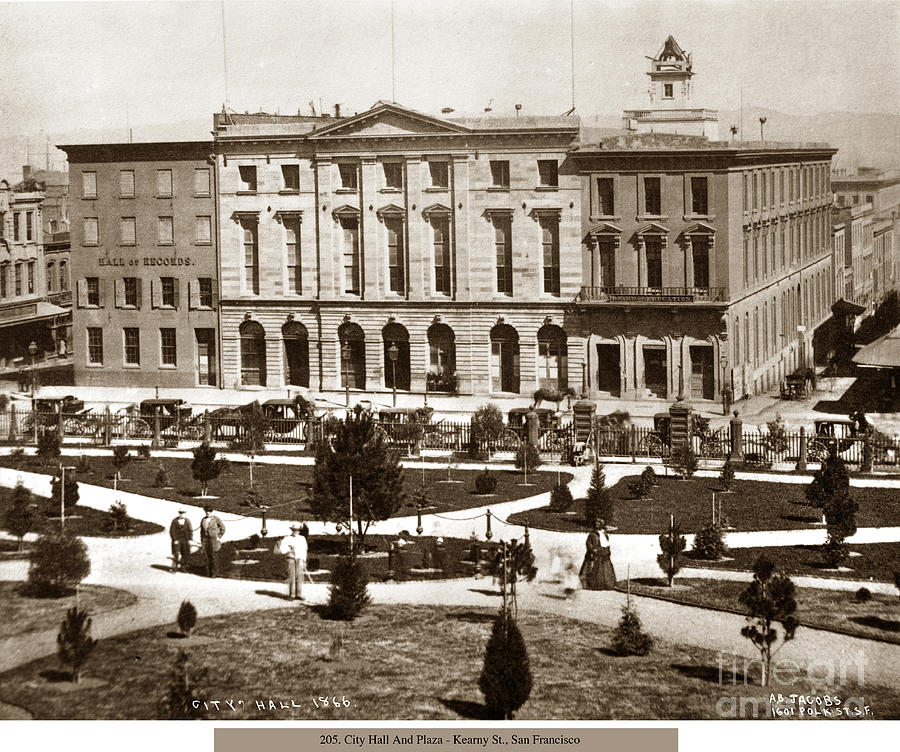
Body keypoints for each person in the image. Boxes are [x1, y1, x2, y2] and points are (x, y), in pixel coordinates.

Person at [579, 519, 616, 590]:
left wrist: (608, 551)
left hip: (603, 554)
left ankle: (605, 584)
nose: (597, 525)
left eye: (599, 523)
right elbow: (588, 543)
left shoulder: (605, 534)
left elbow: (607, 544)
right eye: (596, 523)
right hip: (594, 554)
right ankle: (591, 584)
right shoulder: (592, 534)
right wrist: (592, 550)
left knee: (605, 570)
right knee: (592, 569)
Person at [278, 523, 308, 600]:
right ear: (292, 530)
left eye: (297, 530)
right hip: (291, 559)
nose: (296, 532)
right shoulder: (287, 538)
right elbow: (282, 550)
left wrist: (304, 561)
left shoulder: (302, 539)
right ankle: (292, 595)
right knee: (292, 576)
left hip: (299, 559)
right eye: (294, 530)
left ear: (299, 531)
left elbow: (304, 550)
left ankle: (299, 594)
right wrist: (289, 549)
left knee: (300, 576)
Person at [199, 504, 225, 578]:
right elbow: (202, 532)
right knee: (208, 556)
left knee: (214, 556)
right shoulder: (203, 520)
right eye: (207, 511)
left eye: (209, 511)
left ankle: (214, 573)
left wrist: (219, 537)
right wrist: (202, 541)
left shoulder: (216, 519)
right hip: (206, 540)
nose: (208, 513)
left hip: (214, 540)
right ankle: (209, 572)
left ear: (212, 512)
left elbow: (223, 528)